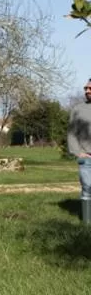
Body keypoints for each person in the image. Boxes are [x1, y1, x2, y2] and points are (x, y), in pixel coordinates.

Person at [67, 79, 91, 224]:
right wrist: (78, 152)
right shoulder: (78, 109)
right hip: (86, 157)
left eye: (90, 88)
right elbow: (71, 133)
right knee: (87, 188)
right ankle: (87, 224)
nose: (87, 91)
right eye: (86, 88)